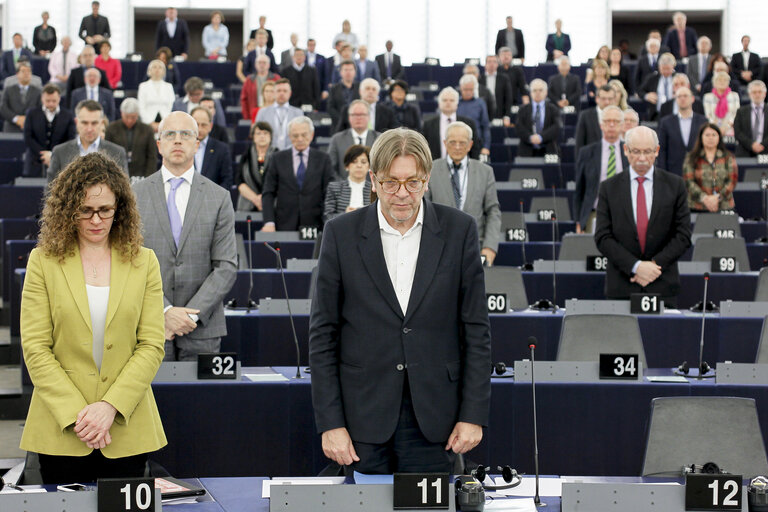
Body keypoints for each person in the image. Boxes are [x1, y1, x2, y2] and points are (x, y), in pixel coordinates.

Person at [309, 127, 491, 474]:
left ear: (427, 180)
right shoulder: (340, 233)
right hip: (363, 417)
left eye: (413, 183)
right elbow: (323, 335)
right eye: (391, 183)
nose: (402, 194)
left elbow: (476, 332)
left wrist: (472, 416)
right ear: (373, 181)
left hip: (438, 421)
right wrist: (330, 423)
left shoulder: (460, 230)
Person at [20, 152, 166, 484]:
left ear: (121, 210)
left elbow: (151, 345)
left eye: (105, 210)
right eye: (85, 211)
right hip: (61, 429)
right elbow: (36, 348)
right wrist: (80, 415)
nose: (96, 220)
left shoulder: (145, 262)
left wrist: (109, 407)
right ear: (67, 210)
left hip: (125, 428)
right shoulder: (42, 261)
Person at [133, 111, 237, 361]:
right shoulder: (135, 195)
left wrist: (189, 315)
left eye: (186, 135)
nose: (177, 140)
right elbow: (129, 261)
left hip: (202, 328)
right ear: (159, 145)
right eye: (170, 134)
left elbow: (226, 266)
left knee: (200, 401)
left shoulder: (219, 197)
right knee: (151, 400)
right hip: (149, 325)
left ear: (197, 144)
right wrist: (165, 310)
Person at [594, 126, 692, 308]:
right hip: (622, 286)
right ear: (625, 150)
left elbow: (683, 235)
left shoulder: (675, 185)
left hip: (662, 284)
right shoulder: (609, 188)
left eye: (647, 152)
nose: (641, 158)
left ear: (657, 151)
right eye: (635, 151)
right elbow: (602, 237)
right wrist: (636, 266)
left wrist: (653, 266)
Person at [427, 121, 501, 265]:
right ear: (445, 143)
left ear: (470, 145)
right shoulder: (430, 170)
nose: (457, 147)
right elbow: (423, 210)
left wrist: (490, 247)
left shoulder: (485, 172)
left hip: (475, 247)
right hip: (438, 248)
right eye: (452, 142)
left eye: (462, 142)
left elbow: (493, 211)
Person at [261, 116, 334, 231]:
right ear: (289, 136)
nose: (300, 139)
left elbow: (329, 193)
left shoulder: (323, 159)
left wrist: (328, 221)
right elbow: (268, 193)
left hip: (315, 224)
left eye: (304, 135)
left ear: (311, 135)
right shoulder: (277, 158)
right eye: (295, 136)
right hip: (284, 223)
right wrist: (269, 222)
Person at [574, 106, 628, 234]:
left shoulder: (630, 152)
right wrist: (578, 222)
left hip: (624, 215)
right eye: (607, 121)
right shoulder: (586, 153)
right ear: (601, 125)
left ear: (622, 126)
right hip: (594, 213)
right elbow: (579, 190)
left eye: (615, 121)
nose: (611, 125)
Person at [47, 100, 127, 182]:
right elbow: (50, 190)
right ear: (76, 122)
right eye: (85, 123)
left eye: (94, 123)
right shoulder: (60, 152)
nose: (89, 129)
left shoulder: (117, 153)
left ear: (101, 123)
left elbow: (124, 190)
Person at [682, 123, 738, 213]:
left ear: (719, 137)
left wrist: (717, 198)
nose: (710, 138)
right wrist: (705, 198)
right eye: (707, 135)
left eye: (714, 135)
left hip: (724, 205)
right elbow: (689, 182)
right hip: (697, 206)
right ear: (701, 137)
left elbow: (732, 181)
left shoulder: (728, 157)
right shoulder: (691, 157)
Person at [23, 84, 75, 177]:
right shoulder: (32, 113)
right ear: (42, 98)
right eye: (48, 101)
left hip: (60, 162)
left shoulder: (68, 115)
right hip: (34, 161)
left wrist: (52, 154)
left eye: (54, 101)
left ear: (59, 98)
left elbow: (70, 138)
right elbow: (28, 137)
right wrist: (43, 154)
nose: (51, 104)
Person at [657, 87, 707, 177]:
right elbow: (662, 149)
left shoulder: (703, 121)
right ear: (675, 99)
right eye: (679, 96)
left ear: (692, 99)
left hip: (698, 172)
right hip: (673, 173)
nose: (682, 98)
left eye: (685, 96)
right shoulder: (666, 122)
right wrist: (662, 173)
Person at [423, 87, 482, 161]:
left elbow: (475, 149)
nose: (448, 103)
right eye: (444, 100)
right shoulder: (428, 125)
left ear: (457, 103)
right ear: (439, 103)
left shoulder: (469, 123)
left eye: (451, 100)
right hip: (435, 168)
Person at [105, 98, 157, 178]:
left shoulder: (147, 130)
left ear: (138, 115)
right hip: (117, 173)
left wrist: (149, 177)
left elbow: (152, 156)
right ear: (121, 113)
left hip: (141, 174)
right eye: (127, 117)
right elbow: (107, 154)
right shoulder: (111, 128)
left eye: (133, 117)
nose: (129, 120)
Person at [327, 99, 379, 178]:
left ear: (368, 117)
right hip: (343, 187)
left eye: (362, 114)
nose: (358, 118)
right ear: (349, 118)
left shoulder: (379, 139)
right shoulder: (337, 140)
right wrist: (343, 186)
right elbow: (330, 169)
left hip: (373, 188)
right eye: (354, 115)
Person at [323, 144, 372, 222]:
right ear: (347, 166)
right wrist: (345, 214)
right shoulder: (334, 187)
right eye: (354, 162)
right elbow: (327, 217)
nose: (359, 166)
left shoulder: (374, 189)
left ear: (369, 166)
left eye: (363, 162)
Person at [516, 79, 561, 157]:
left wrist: (541, 137)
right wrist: (530, 137)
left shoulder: (553, 109)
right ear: (530, 93)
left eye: (540, 90)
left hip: (549, 150)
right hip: (526, 150)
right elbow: (519, 127)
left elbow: (556, 127)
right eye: (534, 90)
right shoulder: (523, 109)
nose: (537, 93)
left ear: (546, 92)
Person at [236, 121, 275, 211]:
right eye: (258, 133)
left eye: (265, 133)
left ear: (271, 137)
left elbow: (281, 182)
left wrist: (265, 199)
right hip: (248, 202)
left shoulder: (278, 155)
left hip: (273, 204)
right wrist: (256, 199)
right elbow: (239, 181)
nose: (262, 136)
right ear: (253, 137)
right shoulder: (245, 156)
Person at [190, 107, 232, 189]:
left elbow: (227, 180)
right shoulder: (181, 147)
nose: (200, 129)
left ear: (210, 126)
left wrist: (214, 199)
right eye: (196, 124)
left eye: (204, 125)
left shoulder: (222, 149)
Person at [255, 79, 303, 150]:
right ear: (274, 93)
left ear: (290, 93)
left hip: (291, 152)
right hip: (268, 152)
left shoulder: (298, 113)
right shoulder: (262, 112)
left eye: (285, 91)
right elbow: (257, 135)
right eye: (279, 91)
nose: (282, 93)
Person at [575, 84, 615, 157]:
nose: (607, 102)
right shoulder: (585, 116)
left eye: (610, 99)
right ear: (597, 99)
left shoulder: (620, 116)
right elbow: (579, 144)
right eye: (603, 98)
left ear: (614, 99)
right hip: (592, 161)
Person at [0, 62, 41, 133]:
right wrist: (16, 119)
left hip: (32, 127)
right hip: (11, 127)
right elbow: (3, 108)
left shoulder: (38, 91)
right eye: (23, 71)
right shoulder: (9, 90)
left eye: (29, 71)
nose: (26, 73)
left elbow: (40, 108)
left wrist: (26, 120)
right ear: (17, 74)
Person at [138, 59, 175, 132]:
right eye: (154, 67)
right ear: (149, 70)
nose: (157, 69)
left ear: (164, 71)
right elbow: (141, 106)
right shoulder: (143, 86)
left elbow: (172, 106)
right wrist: (150, 123)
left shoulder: (169, 86)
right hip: (147, 123)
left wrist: (164, 123)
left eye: (160, 67)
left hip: (166, 122)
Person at [457, 75, 491, 156]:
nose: (468, 92)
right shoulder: (456, 103)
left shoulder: (480, 103)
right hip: (458, 142)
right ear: (461, 88)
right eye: (465, 89)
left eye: (471, 89)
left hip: (476, 143)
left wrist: (486, 147)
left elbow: (485, 126)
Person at [733, 80, 768, 157]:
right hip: (745, 149)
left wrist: (761, 145)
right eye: (754, 92)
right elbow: (738, 132)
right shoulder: (741, 111)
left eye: (760, 92)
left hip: (766, 148)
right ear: (749, 94)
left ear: (764, 94)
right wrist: (752, 144)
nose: (757, 95)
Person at [639, 52, 677, 121]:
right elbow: (640, 91)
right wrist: (647, 96)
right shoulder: (652, 78)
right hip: (657, 114)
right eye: (663, 69)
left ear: (673, 67)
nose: (665, 71)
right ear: (659, 67)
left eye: (668, 69)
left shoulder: (678, 78)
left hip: (674, 113)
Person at [241, 54, 280, 120]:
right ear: (255, 65)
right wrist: (246, 116)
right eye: (259, 62)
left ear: (269, 65)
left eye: (264, 63)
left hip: (273, 114)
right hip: (254, 113)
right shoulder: (249, 79)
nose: (262, 65)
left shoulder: (276, 78)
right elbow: (244, 99)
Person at [703, 71, 739, 136]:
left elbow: (735, 114)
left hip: (729, 128)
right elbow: (708, 115)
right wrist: (716, 128)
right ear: (714, 82)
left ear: (728, 82)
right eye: (719, 80)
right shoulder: (707, 97)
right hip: (713, 128)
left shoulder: (735, 96)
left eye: (725, 80)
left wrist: (726, 127)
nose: (722, 82)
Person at [327, 60, 360, 129]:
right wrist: (342, 119)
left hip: (357, 125)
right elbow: (330, 107)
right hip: (338, 126)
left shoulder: (360, 88)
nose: (348, 72)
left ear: (355, 72)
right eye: (345, 70)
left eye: (351, 70)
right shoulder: (334, 89)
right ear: (340, 72)